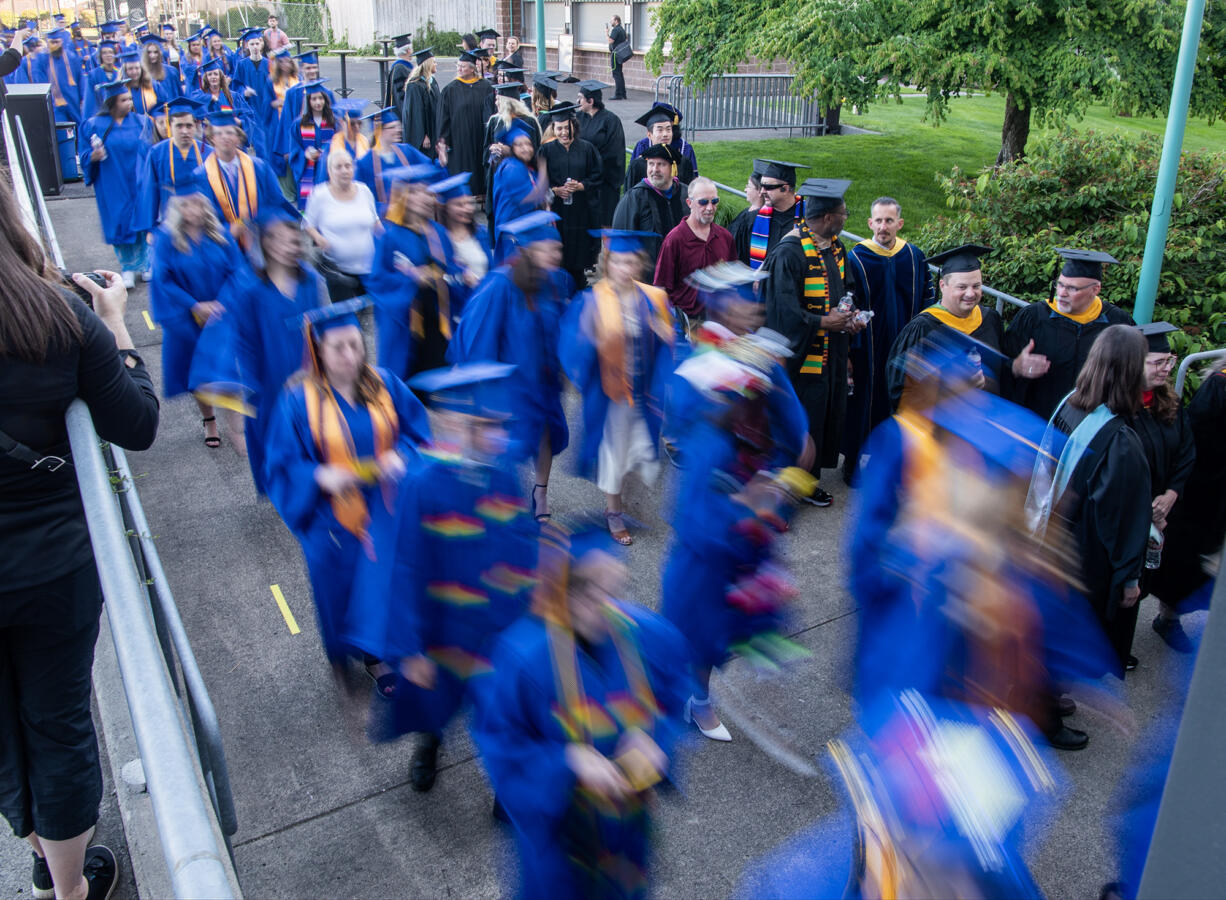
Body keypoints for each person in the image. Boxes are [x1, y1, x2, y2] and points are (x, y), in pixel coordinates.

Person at [0, 173, 158, 900]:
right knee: (58, 722)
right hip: (49, 560)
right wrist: (117, 322)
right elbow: (137, 422)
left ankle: (37, 844)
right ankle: (68, 887)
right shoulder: (59, 316)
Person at [349, 361, 537, 792]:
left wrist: (533, 604)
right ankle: (429, 744)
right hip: (442, 630)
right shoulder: (424, 481)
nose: (496, 436)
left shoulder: (506, 469)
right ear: (455, 425)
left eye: (498, 426)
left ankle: (506, 789)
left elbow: (523, 541)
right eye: (483, 426)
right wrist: (410, 650)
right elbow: (405, 567)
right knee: (435, 703)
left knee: (505, 710)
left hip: (497, 624)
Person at [475, 523, 689, 898]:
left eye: (612, 587)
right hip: (562, 842)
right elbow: (501, 747)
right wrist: (567, 761)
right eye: (587, 590)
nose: (604, 605)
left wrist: (656, 740)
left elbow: (676, 698)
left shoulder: (648, 637)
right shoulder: (522, 659)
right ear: (560, 590)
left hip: (627, 836)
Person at [264, 299, 430, 683]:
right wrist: (320, 476)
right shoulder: (298, 400)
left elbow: (418, 433)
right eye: (338, 347)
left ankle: (388, 652)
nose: (350, 355)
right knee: (342, 584)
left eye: (355, 343)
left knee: (391, 578)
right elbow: (282, 464)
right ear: (318, 350)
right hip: (330, 516)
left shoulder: (384, 383)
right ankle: (355, 658)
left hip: (387, 506)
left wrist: (403, 456)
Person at [1027, 324, 1152, 677]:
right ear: (1130, 371)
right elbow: (1121, 519)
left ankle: (1050, 694)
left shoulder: (1070, 403)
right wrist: (1129, 578)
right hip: (1085, 555)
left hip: (1052, 536)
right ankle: (1049, 712)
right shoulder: (1119, 439)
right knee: (1073, 630)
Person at [450, 212, 573, 521]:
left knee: (546, 435)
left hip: (545, 382)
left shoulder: (556, 282)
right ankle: (503, 501)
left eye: (557, 250)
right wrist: (483, 390)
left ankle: (540, 492)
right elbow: (477, 335)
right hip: (511, 386)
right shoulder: (500, 284)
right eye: (548, 250)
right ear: (528, 251)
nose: (556, 256)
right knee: (508, 447)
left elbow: (564, 329)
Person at [561, 230, 676, 545]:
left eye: (631, 262)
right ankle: (614, 514)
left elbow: (671, 341)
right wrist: (592, 342)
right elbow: (573, 348)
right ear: (607, 264)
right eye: (619, 262)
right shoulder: (592, 301)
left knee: (642, 453)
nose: (625, 268)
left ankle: (630, 502)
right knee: (615, 454)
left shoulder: (654, 298)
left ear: (640, 264)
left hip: (645, 391)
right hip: (611, 394)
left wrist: (665, 334)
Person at [762, 177, 866, 506]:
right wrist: (823, 321)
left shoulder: (835, 247)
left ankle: (806, 480)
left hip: (830, 353)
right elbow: (781, 312)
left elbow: (846, 287)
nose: (845, 219)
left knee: (824, 415)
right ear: (826, 218)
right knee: (800, 418)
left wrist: (849, 316)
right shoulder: (790, 253)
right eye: (843, 215)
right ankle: (782, 487)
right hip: (800, 356)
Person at [225, 207, 329, 494]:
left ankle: (310, 482)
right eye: (279, 240)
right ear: (266, 243)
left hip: (309, 373)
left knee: (313, 430)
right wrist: (251, 389)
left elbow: (322, 326)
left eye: (294, 240)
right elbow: (242, 343)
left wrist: (316, 368)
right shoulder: (249, 288)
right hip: (267, 379)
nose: (288, 247)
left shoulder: (310, 280)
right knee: (273, 434)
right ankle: (281, 487)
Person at [149, 186, 246, 448]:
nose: (194, 210)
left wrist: (221, 303)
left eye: (198, 204)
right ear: (178, 208)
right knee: (199, 373)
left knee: (227, 368)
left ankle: (235, 426)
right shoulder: (166, 240)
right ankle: (209, 421)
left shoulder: (220, 235)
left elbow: (238, 272)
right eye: (187, 205)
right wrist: (194, 305)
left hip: (221, 315)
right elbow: (162, 280)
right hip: (185, 317)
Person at [843, 196, 933, 476]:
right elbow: (848, 302)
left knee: (902, 400)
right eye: (879, 220)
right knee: (865, 401)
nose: (884, 226)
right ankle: (853, 462)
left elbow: (928, 300)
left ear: (899, 223)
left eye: (889, 220)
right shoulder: (856, 258)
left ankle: (895, 464)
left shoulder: (914, 256)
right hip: (867, 347)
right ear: (870, 223)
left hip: (906, 344)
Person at [1125, 322, 1196, 653]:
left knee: (1156, 575)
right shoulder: (1117, 408)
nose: (1167, 368)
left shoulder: (1170, 402)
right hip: (1129, 512)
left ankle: (1161, 621)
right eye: (1158, 362)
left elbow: (1186, 452)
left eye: (1170, 361)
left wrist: (1171, 495)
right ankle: (1117, 643)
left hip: (1165, 508)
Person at [1149, 352, 1226, 643]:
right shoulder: (1219, 385)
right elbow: (1198, 441)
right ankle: (1168, 618)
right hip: (1204, 490)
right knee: (1185, 557)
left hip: (1215, 495)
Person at [1004, 248, 1135, 419]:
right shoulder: (1033, 317)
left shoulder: (1117, 323)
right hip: (1036, 420)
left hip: (1089, 424)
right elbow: (1002, 363)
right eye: (1060, 284)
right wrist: (1016, 366)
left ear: (1095, 289)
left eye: (1072, 288)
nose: (1062, 293)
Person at [884, 245, 1008, 406]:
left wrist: (1018, 366)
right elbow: (900, 391)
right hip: (940, 427)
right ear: (943, 286)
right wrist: (955, 390)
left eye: (976, 286)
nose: (970, 293)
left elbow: (1002, 371)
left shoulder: (989, 319)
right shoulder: (923, 329)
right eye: (962, 287)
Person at [366, 165, 457, 381]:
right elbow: (378, 282)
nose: (425, 197)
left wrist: (456, 275)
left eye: (428, 192)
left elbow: (451, 268)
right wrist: (411, 279)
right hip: (406, 327)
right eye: (417, 192)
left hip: (438, 322)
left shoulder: (438, 232)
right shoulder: (388, 236)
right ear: (402, 197)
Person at [78, 81, 155, 288]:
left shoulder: (142, 121)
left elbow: (151, 150)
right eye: (124, 100)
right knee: (119, 221)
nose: (129, 102)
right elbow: (83, 153)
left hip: (138, 179)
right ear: (111, 103)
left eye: (130, 98)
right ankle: (127, 267)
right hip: (112, 181)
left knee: (143, 218)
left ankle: (147, 264)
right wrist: (92, 156)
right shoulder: (94, 125)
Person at [192, 110, 289, 249]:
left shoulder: (259, 167)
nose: (225, 137)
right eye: (219, 133)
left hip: (261, 242)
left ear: (238, 137)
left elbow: (276, 203)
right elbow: (202, 219)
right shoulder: (201, 175)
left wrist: (257, 224)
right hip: (222, 246)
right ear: (211, 138)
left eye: (230, 132)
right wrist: (227, 231)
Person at [303, 148, 380, 302]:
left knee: (369, 314)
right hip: (338, 272)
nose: (344, 170)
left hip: (368, 268)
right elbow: (308, 224)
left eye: (348, 166)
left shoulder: (364, 191)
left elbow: (375, 222)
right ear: (329, 171)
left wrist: (388, 240)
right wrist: (319, 238)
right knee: (346, 318)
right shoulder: (319, 194)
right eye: (338, 167)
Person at [654, 177, 736, 319]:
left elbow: (734, 278)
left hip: (719, 321)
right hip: (687, 323)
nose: (710, 208)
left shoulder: (725, 237)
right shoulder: (675, 239)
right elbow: (660, 287)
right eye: (703, 202)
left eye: (714, 201)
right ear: (689, 203)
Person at [539, 103, 603, 289]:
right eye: (559, 128)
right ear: (553, 128)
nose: (564, 132)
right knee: (559, 251)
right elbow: (538, 181)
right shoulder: (546, 151)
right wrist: (554, 190)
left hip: (581, 211)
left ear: (574, 126)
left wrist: (581, 186)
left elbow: (597, 176)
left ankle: (579, 284)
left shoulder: (587, 149)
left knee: (579, 253)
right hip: (557, 211)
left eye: (567, 128)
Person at [612, 143, 688, 268]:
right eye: (651, 164)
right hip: (647, 277)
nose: (655, 169)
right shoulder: (634, 197)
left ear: (672, 168)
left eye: (661, 164)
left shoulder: (685, 194)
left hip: (681, 273)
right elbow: (622, 241)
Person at [138, 97, 211, 228]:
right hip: (170, 223)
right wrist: (150, 228)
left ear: (195, 126)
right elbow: (149, 192)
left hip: (203, 224)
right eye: (179, 126)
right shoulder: (157, 153)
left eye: (189, 126)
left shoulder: (208, 153)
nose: (184, 131)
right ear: (170, 126)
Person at [436, 50, 494, 196]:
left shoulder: (486, 87)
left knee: (480, 167)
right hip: (460, 139)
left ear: (472, 68)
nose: (459, 69)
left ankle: (482, 195)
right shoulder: (450, 89)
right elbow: (444, 118)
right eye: (458, 66)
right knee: (463, 168)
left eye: (463, 66)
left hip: (480, 137)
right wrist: (443, 140)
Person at [432, 171, 492, 310]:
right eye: (459, 204)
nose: (466, 209)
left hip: (484, 304)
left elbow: (491, 269)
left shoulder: (480, 233)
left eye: (468, 203)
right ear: (446, 208)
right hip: (456, 310)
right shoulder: (438, 239)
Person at [490, 120, 549, 261]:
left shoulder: (524, 167)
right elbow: (531, 198)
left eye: (528, 144)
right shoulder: (512, 168)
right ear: (511, 148)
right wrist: (543, 170)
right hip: (514, 236)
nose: (526, 148)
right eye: (519, 145)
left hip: (521, 232)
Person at [354, 106, 431, 212]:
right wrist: (385, 209)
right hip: (384, 221)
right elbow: (361, 198)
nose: (398, 130)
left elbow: (429, 170)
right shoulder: (364, 163)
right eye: (392, 127)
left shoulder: (407, 151)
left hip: (411, 216)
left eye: (399, 126)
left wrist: (441, 162)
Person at [733, 159, 807, 270]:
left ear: (785, 188)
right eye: (761, 185)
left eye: (768, 187)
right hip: (761, 286)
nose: (762, 191)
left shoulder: (808, 220)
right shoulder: (752, 219)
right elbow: (740, 261)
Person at [576, 80, 625, 227]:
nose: (577, 101)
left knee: (605, 224)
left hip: (605, 182)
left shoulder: (611, 120)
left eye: (580, 97)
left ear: (590, 101)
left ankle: (608, 250)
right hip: (583, 181)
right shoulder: (578, 118)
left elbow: (614, 151)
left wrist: (593, 168)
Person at [287, 81, 338, 209]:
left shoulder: (333, 122)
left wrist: (327, 152)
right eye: (314, 99)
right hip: (307, 169)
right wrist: (305, 154)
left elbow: (340, 144)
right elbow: (294, 147)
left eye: (320, 98)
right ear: (308, 102)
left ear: (325, 100)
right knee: (310, 205)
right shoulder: (298, 124)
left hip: (328, 168)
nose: (318, 102)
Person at [624, 103, 697, 190]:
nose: (665, 134)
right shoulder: (637, 165)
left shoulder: (683, 162)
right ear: (649, 135)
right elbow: (630, 197)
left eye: (668, 129)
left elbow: (691, 194)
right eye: (660, 130)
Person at [30, 27, 84, 128]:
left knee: (78, 127)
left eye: (57, 42)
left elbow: (80, 78)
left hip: (73, 100)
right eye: (52, 42)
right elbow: (39, 80)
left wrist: (82, 98)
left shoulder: (71, 57)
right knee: (60, 129)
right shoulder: (42, 59)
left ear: (62, 41)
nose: (54, 45)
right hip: (54, 103)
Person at [400, 47, 438, 157]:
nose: (436, 64)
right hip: (424, 136)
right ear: (428, 64)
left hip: (433, 130)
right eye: (434, 62)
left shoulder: (432, 82)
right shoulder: (414, 85)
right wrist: (423, 135)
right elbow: (415, 114)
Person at [384, 33, 413, 110]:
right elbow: (400, 96)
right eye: (411, 48)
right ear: (408, 50)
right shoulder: (399, 69)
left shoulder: (404, 67)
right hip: (401, 112)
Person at [606, 15, 628, 100]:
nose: (611, 22)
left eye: (612, 20)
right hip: (620, 54)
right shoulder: (622, 29)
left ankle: (618, 94)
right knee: (620, 73)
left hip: (615, 54)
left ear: (616, 21)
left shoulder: (615, 30)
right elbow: (626, 38)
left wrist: (607, 33)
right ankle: (623, 93)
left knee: (616, 74)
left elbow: (610, 41)